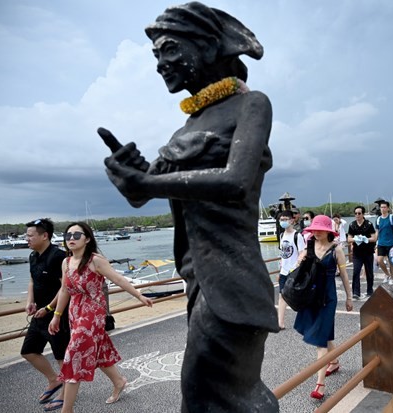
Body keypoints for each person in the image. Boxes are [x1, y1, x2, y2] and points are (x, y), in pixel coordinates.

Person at [101, 3, 280, 410]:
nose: (161, 64)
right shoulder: (185, 128)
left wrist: (147, 180)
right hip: (198, 283)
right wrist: (129, 172)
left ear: (206, 46)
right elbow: (142, 193)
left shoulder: (252, 105)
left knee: (210, 392)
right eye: (156, 56)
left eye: (168, 50)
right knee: (217, 394)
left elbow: (236, 181)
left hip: (233, 282)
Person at [48, 222, 153, 413]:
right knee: (99, 351)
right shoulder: (66, 262)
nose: (71, 238)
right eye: (68, 235)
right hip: (75, 313)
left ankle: (67, 409)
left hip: (93, 314)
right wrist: (56, 316)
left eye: (77, 235)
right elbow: (64, 289)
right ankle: (119, 381)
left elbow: (118, 279)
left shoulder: (96, 261)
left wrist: (139, 295)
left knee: (74, 355)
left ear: (87, 239)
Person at [293, 215, 353, 400]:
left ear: (328, 231)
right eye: (313, 229)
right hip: (311, 296)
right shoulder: (308, 247)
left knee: (320, 340)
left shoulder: (337, 250)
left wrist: (349, 297)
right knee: (322, 334)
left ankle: (320, 384)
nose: (315, 232)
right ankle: (333, 361)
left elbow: (343, 274)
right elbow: (298, 269)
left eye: (319, 229)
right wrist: (299, 263)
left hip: (328, 298)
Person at [21, 218, 69, 412]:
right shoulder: (33, 256)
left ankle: (65, 395)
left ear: (44, 236)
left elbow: (65, 286)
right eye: (27, 235)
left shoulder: (59, 256)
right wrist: (29, 302)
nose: (27, 239)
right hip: (39, 314)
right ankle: (53, 380)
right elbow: (32, 280)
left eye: (30, 235)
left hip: (58, 314)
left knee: (61, 357)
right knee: (28, 351)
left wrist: (49, 308)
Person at [278, 210, 305, 329]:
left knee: (298, 297)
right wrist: (280, 270)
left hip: (294, 272)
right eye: (281, 220)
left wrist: (297, 264)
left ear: (291, 220)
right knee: (282, 296)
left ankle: (306, 319)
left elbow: (302, 252)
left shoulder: (297, 235)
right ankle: (280, 322)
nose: (283, 222)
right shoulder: (281, 235)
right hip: (284, 271)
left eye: (285, 219)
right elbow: (282, 254)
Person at [347, 206, 377, 299]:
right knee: (356, 271)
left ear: (363, 214)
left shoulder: (368, 224)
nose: (357, 215)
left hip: (368, 251)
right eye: (355, 213)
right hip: (357, 253)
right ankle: (356, 292)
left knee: (369, 272)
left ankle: (369, 290)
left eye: (359, 213)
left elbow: (374, 238)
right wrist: (355, 239)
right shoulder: (352, 225)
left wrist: (365, 239)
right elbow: (349, 239)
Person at [375, 201, 393, 284]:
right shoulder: (378, 219)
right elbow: (377, 231)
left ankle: (392, 278)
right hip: (381, 243)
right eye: (381, 207)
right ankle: (387, 274)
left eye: (384, 207)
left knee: (391, 262)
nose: (383, 209)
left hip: (391, 243)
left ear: (388, 208)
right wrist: (375, 242)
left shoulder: (391, 218)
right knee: (379, 260)